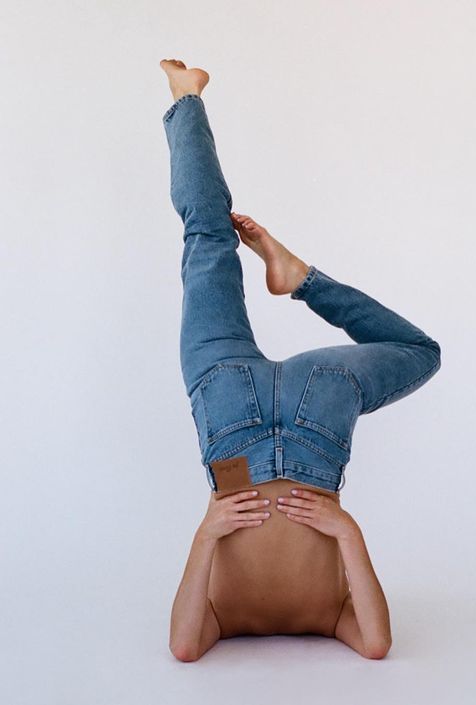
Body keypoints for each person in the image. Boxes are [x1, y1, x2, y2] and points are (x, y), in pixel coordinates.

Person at [159, 59, 442, 662]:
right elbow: (377, 643)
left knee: (207, 241)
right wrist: (344, 530)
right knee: (206, 239)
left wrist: (210, 530)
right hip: (307, 435)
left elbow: (183, 647)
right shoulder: (337, 619)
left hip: (236, 455)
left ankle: (189, 101)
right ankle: (299, 276)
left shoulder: (215, 621)